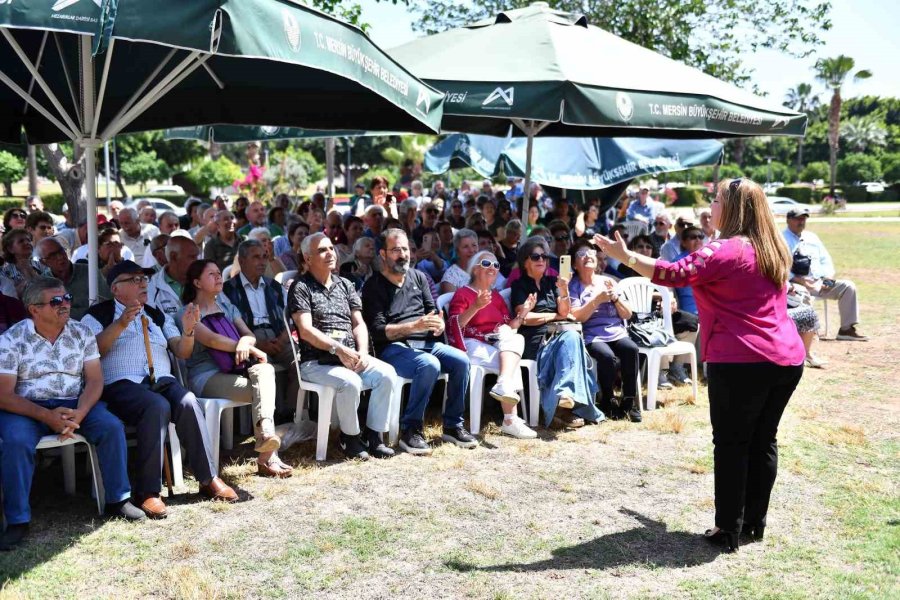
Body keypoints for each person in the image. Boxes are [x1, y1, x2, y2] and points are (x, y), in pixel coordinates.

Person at [595, 177, 806, 552]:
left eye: (718, 198)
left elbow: (672, 274)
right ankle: (753, 524)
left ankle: (728, 529)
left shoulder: (724, 250)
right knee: (763, 440)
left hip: (742, 359)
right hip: (785, 358)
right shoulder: (772, 247)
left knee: (731, 443)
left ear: (735, 208)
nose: (711, 206)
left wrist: (625, 256)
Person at [82, 261, 237, 518]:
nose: (143, 283)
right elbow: (93, 351)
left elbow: (182, 351)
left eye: (144, 279)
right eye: (134, 280)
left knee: (188, 401)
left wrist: (188, 331)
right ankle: (148, 492)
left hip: (161, 379)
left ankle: (208, 478)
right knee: (156, 406)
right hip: (121, 384)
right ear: (115, 288)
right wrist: (120, 323)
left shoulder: (155, 314)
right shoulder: (97, 314)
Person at [0, 279, 146, 551]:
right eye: (56, 301)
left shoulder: (81, 332)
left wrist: (80, 412)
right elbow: (5, 395)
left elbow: (94, 381)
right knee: (16, 442)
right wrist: (47, 416)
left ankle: (119, 499)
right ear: (34, 309)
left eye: (66, 297)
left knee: (111, 427)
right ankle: (18, 519)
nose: (65, 304)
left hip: (75, 402)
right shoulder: (11, 339)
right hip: (28, 406)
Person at [362, 229, 477, 455]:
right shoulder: (373, 286)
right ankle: (411, 429)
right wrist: (413, 327)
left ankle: (453, 425)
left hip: (427, 343)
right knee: (429, 364)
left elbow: (433, 312)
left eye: (405, 249)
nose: (403, 254)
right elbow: (377, 332)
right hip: (393, 348)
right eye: (396, 250)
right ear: (383, 254)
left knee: (461, 360)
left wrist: (439, 324)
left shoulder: (419, 277)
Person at [289, 233, 398, 459]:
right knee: (350, 382)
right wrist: (338, 349)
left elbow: (358, 323)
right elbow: (306, 331)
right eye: (322, 250)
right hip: (317, 361)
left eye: (331, 248)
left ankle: (374, 436)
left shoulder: (346, 284)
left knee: (387, 374)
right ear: (308, 259)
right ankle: (350, 439)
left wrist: (363, 352)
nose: (330, 253)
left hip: (350, 355)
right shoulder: (301, 287)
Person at [181, 259, 291, 478]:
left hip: (235, 368)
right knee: (264, 391)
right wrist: (246, 347)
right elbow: (211, 340)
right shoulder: (188, 312)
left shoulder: (226, 306)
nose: (219, 277)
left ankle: (265, 436)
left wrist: (245, 343)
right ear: (197, 282)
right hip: (207, 375)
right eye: (211, 274)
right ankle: (269, 457)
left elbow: (248, 334)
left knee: (265, 371)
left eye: (218, 273)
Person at [510, 236, 601, 429]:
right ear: (525, 261)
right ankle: (567, 405)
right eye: (536, 257)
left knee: (572, 337)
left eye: (544, 256)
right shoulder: (519, 285)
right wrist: (553, 317)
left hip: (556, 336)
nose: (541, 260)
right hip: (535, 340)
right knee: (571, 340)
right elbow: (524, 316)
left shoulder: (552, 281)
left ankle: (565, 399)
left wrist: (564, 290)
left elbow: (565, 312)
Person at [447, 251, 537, 439]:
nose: (492, 268)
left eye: (496, 265)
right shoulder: (462, 293)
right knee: (510, 361)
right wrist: (476, 306)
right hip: (472, 344)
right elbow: (455, 324)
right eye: (487, 263)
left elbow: (510, 327)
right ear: (474, 268)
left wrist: (523, 313)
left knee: (515, 341)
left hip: (497, 343)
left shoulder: (496, 296)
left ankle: (504, 389)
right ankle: (510, 419)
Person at [568, 239, 640, 422]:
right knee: (607, 357)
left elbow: (627, 314)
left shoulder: (607, 281)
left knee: (631, 349)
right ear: (575, 264)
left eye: (591, 253)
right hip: (592, 335)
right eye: (581, 254)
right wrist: (597, 300)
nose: (588, 257)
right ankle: (608, 399)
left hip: (616, 331)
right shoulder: (573, 286)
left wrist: (615, 298)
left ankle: (629, 399)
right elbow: (577, 317)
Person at [783, 207, 866, 341]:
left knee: (848, 286)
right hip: (796, 284)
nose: (801, 222)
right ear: (788, 220)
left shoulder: (812, 237)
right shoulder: (781, 239)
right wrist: (800, 281)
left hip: (820, 282)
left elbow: (826, 260)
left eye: (803, 218)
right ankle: (807, 333)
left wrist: (828, 280)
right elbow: (780, 268)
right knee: (802, 292)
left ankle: (846, 330)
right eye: (798, 219)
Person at [37, 237, 112, 320]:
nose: (60, 257)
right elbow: (50, 315)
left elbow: (107, 302)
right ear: (43, 262)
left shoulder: (89, 271)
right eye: (52, 256)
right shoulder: (43, 283)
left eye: (61, 251)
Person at [146, 236, 200, 318]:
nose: (197, 262)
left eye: (197, 256)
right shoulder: (151, 288)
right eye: (192, 257)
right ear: (173, 256)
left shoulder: (204, 280)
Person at [1, 229, 48, 297]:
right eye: (21, 241)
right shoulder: (4, 272)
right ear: (10, 249)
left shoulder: (42, 264)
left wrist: (31, 272)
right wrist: (27, 279)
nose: (27, 243)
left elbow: (51, 287)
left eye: (29, 240)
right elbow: (8, 297)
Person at [440, 229, 479, 294]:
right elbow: (453, 304)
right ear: (457, 252)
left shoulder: (485, 267)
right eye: (465, 247)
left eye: (474, 245)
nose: (471, 250)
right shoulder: (451, 277)